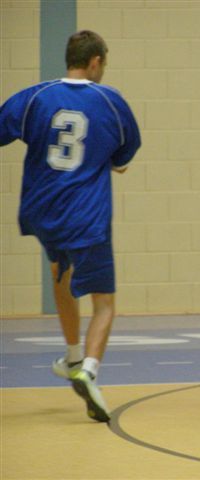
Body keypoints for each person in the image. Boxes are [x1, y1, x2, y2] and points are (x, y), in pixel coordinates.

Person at [0, 30, 141, 422]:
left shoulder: (34, 97)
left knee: (60, 273)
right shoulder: (110, 101)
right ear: (95, 62)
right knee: (104, 303)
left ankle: (73, 356)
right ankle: (88, 370)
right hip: (86, 216)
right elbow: (124, 155)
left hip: (43, 211)